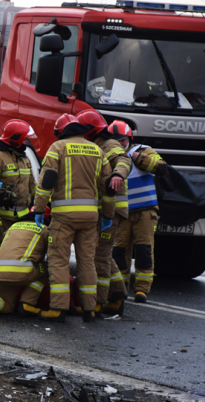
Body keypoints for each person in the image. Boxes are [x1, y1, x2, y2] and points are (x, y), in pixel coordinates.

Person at [33, 114, 115, 323]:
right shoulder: (97, 150)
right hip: (90, 217)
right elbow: (107, 187)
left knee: (58, 260)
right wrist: (107, 214)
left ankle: (58, 307)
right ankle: (89, 308)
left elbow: (47, 181)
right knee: (87, 262)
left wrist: (40, 209)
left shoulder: (58, 148)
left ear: (61, 131)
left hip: (64, 216)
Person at [77, 110, 130, 315]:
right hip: (108, 210)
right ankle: (117, 296)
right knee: (105, 255)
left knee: (99, 256)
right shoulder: (99, 145)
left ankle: (98, 302)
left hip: (112, 211)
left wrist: (118, 174)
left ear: (90, 131)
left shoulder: (109, 145)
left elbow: (124, 160)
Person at [111, 120, 166, 305]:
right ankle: (121, 288)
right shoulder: (110, 156)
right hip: (122, 212)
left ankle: (142, 289)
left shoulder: (144, 150)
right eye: (116, 140)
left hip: (145, 211)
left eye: (122, 140)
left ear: (129, 138)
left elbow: (162, 168)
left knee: (144, 250)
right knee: (119, 251)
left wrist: (139, 158)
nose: (120, 143)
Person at [0, 119, 37, 291]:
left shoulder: (24, 158)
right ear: (15, 139)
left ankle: (10, 291)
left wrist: (37, 207)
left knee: (16, 257)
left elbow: (32, 186)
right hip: (1, 218)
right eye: (25, 139)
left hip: (21, 220)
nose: (27, 143)